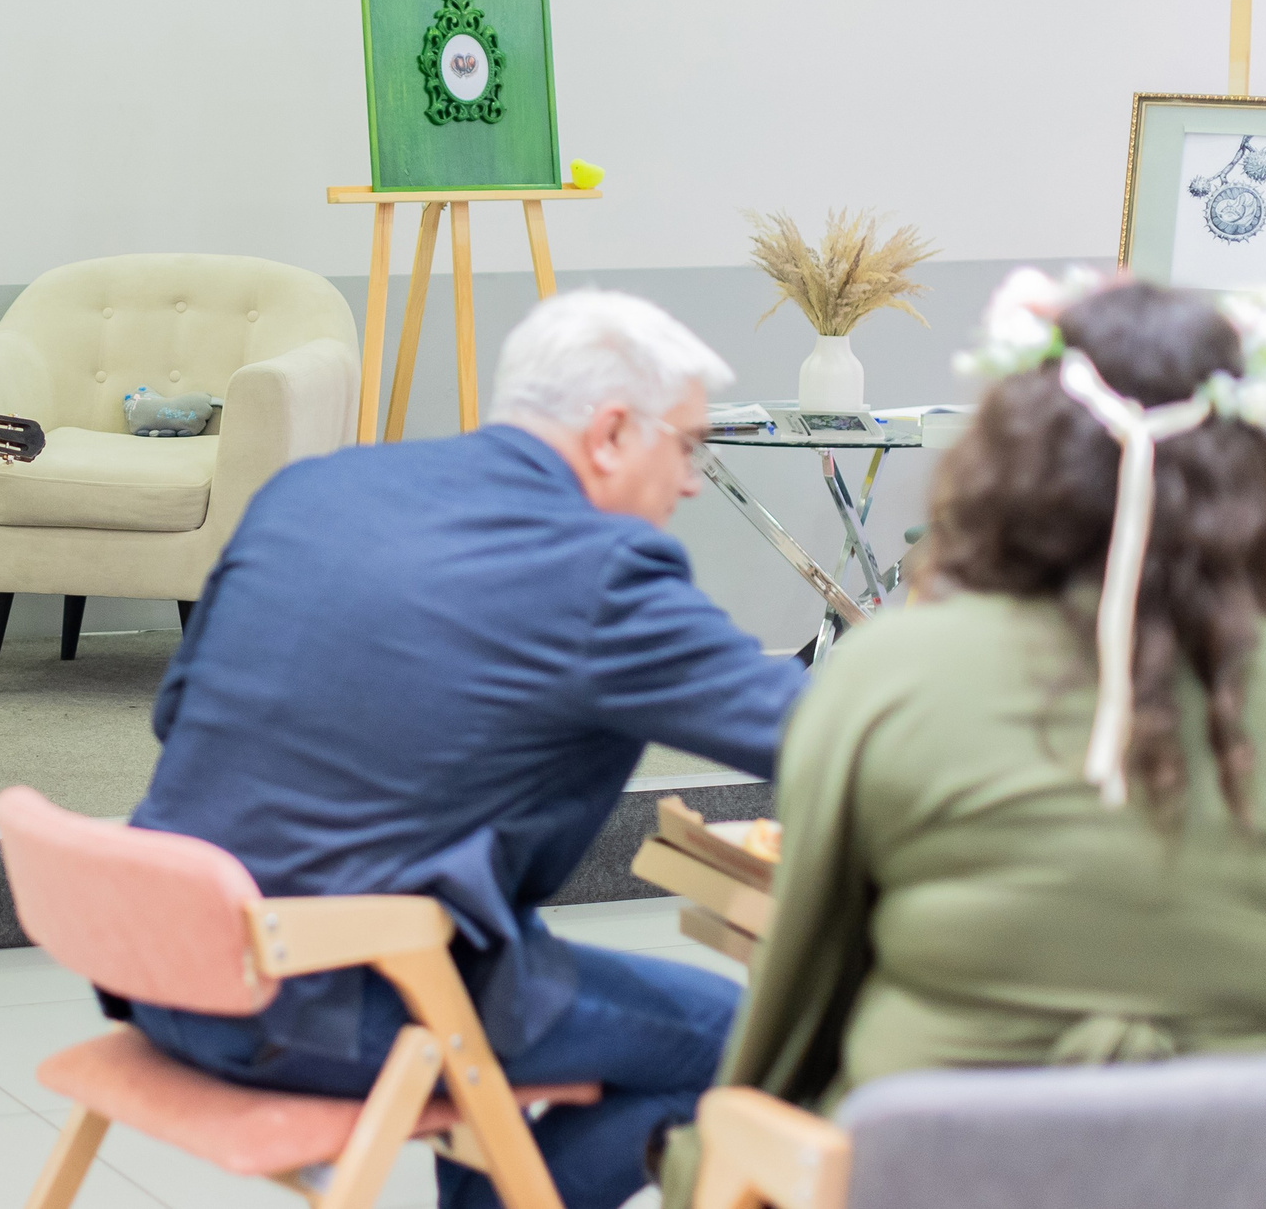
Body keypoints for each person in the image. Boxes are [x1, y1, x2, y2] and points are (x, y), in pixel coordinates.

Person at [124, 289, 808, 1209]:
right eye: (687, 446)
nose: (691, 481)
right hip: (312, 1002)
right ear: (611, 433)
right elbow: (824, 735)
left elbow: (180, 713)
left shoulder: (315, 488)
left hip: (157, 960)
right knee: (747, 1045)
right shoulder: (599, 568)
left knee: (493, 960)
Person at [662, 275, 1266, 1203]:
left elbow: (797, 1007)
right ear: (1258, 473)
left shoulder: (889, 677)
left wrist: (702, 1162)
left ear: (1015, 456)